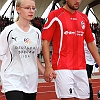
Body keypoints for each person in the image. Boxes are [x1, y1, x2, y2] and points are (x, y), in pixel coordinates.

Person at [42, 0, 100, 100]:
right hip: (62, 66)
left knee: (85, 98)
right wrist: (48, 66)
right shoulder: (55, 15)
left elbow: (90, 42)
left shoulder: (84, 18)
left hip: (81, 67)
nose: (78, 1)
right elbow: (46, 42)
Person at [0, 0, 45, 100]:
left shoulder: (36, 33)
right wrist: (3, 75)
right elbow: (1, 56)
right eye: (27, 8)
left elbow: (35, 56)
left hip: (30, 81)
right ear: (18, 9)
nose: (31, 11)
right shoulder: (8, 31)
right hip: (12, 79)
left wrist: (44, 71)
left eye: (33, 8)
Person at [84, 33, 96, 100]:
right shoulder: (81, 34)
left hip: (89, 61)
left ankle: (89, 96)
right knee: (87, 79)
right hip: (85, 60)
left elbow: (93, 46)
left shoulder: (92, 35)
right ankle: (90, 96)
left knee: (88, 79)